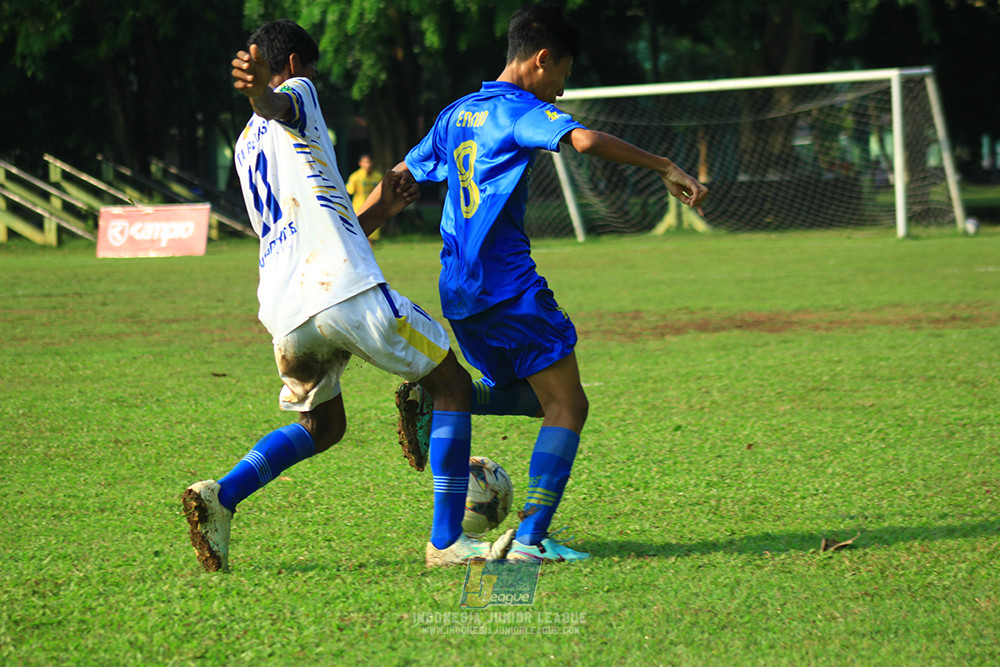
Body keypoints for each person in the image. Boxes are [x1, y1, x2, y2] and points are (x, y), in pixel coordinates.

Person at [384, 3, 709, 563]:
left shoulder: (455, 113)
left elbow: (397, 179)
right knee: (570, 405)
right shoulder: (520, 110)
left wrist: (351, 234)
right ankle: (531, 539)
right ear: (541, 58)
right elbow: (583, 141)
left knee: (540, 399)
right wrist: (663, 165)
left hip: (458, 290)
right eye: (563, 72)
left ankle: (440, 401)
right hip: (508, 288)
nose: (562, 89)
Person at [182, 19, 495, 572]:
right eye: (311, 71)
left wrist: (378, 210)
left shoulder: (245, 146)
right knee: (452, 385)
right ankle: (447, 541)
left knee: (324, 428)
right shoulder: (297, 91)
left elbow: (312, 223)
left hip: (287, 313)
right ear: (295, 65)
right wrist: (261, 93)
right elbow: (277, 104)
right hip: (345, 292)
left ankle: (222, 496)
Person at [346, 154, 382, 244]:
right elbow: (348, 191)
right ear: (360, 163)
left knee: (371, 236)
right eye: (366, 162)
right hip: (359, 208)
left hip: (373, 208)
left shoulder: (378, 176)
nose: (368, 165)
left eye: (369, 162)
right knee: (358, 235)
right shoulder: (355, 177)